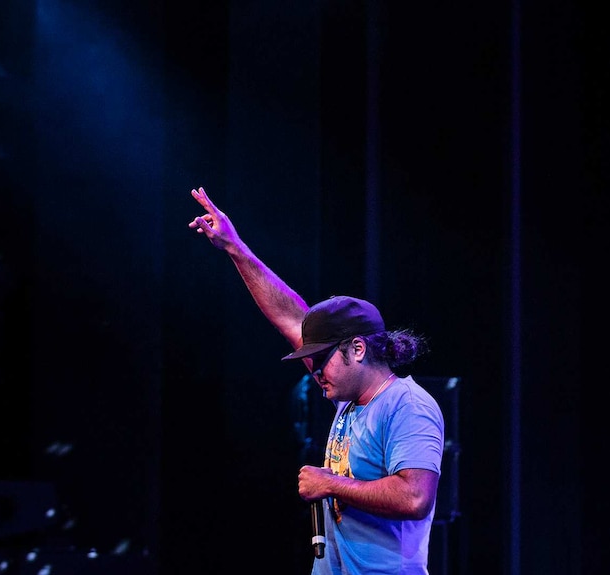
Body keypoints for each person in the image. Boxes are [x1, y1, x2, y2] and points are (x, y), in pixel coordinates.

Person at [188, 186, 445, 575]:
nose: (315, 372)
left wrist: (331, 484)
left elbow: (414, 497)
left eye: (320, 359)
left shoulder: (408, 405)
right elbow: (292, 319)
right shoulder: (347, 397)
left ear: (357, 349)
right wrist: (235, 249)